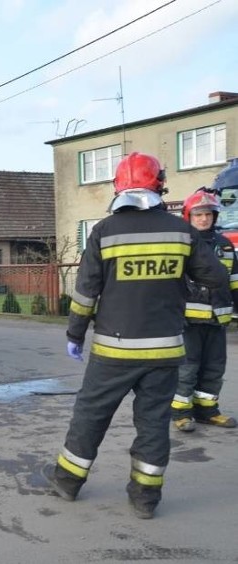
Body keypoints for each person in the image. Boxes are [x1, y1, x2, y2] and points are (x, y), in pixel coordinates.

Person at [42, 152, 226, 519]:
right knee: (154, 422)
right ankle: (144, 498)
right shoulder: (182, 230)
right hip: (165, 351)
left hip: (114, 349)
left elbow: (85, 293)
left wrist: (75, 335)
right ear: (159, 184)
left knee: (90, 415)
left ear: (118, 187)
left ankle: (67, 481)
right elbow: (217, 279)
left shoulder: (104, 231)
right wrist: (178, 290)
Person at [172, 189, 238, 431]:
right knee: (187, 369)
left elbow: (234, 281)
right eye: (198, 214)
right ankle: (181, 413)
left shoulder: (225, 245)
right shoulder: (181, 243)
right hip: (187, 321)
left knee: (214, 368)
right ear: (189, 216)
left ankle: (208, 411)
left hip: (217, 319)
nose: (204, 219)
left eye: (208, 214)